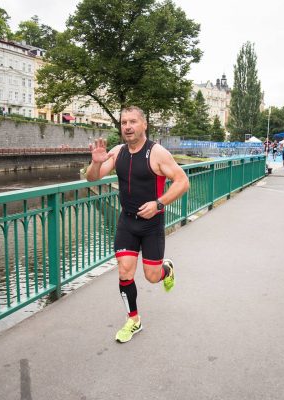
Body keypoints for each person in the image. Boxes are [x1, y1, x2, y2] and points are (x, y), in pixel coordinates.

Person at [86, 106, 189, 343]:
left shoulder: (157, 153)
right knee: (124, 271)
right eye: (124, 123)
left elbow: (182, 182)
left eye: (133, 122)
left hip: (151, 225)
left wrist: (159, 203)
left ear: (144, 125)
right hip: (127, 222)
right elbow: (93, 177)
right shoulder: (118, 152)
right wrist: (95, 163)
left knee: (152, 277)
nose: (128, 127)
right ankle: (133, 320)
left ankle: (167, 269)